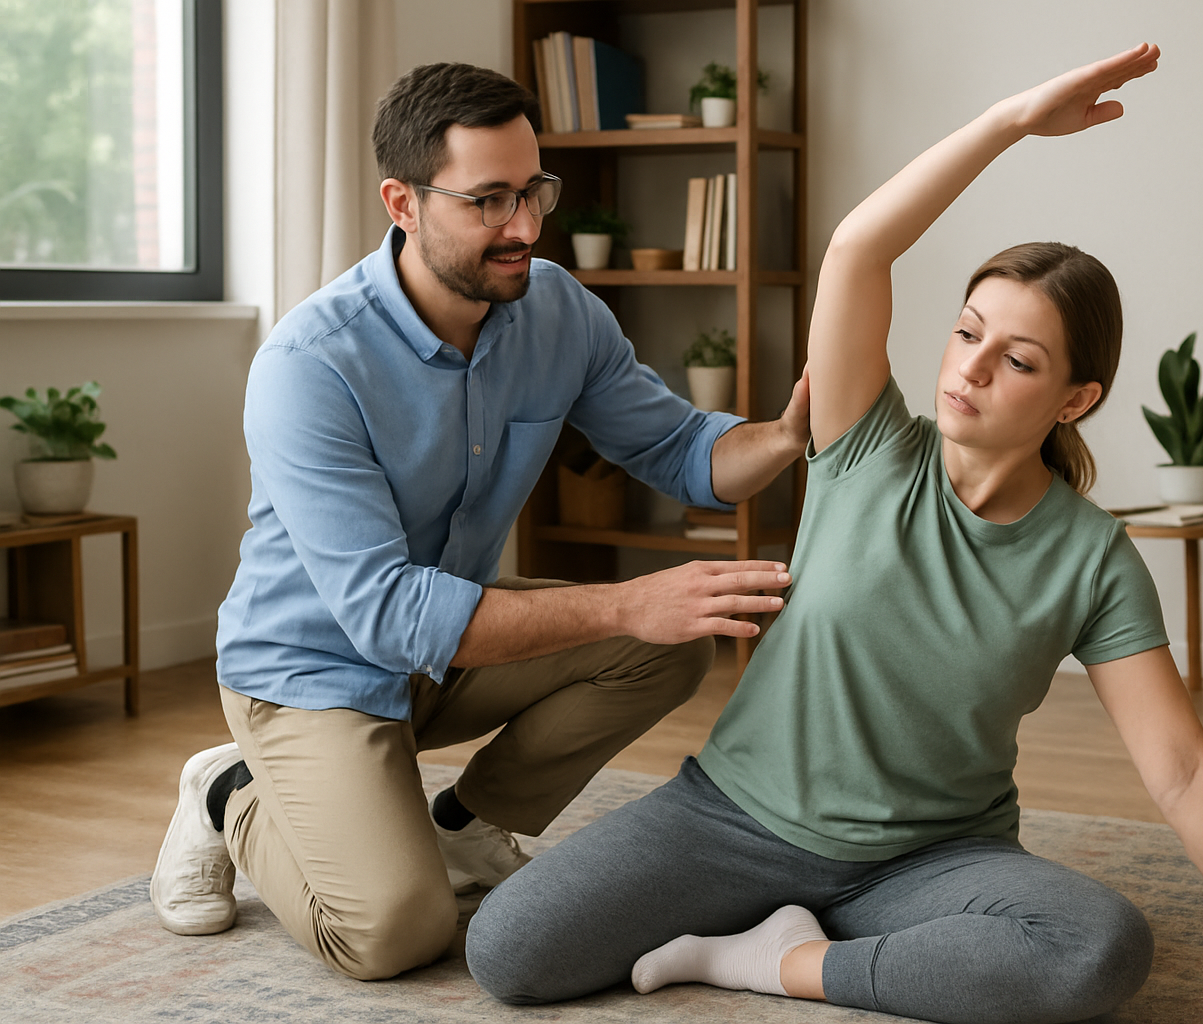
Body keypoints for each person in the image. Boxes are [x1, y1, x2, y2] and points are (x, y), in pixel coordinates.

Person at [462, 44, 1203, 1023]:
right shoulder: (867, 444)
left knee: (1098, 948)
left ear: (1076, 398)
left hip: (932, 857)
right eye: (967, 331)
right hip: (732, 818)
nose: (970, 370)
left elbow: (1182, 767)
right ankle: (797, 924)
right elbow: (859, 247)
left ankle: (774, 960)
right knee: (508, 951)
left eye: (1017, 359)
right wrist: (1012, 122)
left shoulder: (1092, 558)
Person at [148, 62, 810, 981]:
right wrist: (625, 603)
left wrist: (787, 434)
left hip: (445, 644)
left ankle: (460, 828)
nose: (528, 227)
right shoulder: (311, 363)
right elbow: (383, 615)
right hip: (311, 669)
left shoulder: (559, 311)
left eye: (534, 190)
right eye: (490, 200)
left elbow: (683, 453)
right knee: (393, 935)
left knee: (672, 641)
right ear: (404, 202)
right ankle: (228, 792)